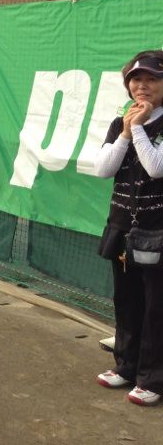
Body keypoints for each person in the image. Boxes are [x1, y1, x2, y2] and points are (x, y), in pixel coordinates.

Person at [94, 50, 163, 407]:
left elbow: (155, 167)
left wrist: (136, 127)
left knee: (156, 308)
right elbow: (103, 169)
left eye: (152, 79)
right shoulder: (118, 123)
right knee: (126, 301)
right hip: (121, 228)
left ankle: (152, 378)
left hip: (157, 232)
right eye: (136, 80)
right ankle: (126, 366)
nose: (142, 86)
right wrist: (125, 131)